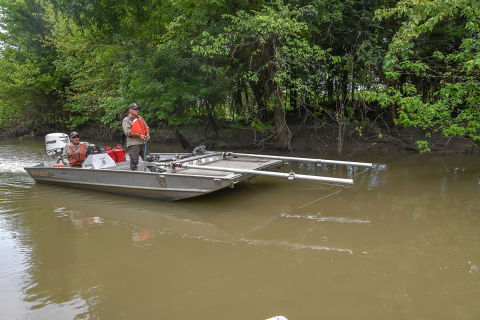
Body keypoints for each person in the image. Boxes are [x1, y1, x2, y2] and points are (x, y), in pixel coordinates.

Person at [122, 103, 154, 171]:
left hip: (143, 143)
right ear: (130, 110)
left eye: (137, 109)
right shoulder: (126, 120)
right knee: (134, 162)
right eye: (135, 109)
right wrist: (139, 135)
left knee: (149, 160)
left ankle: (155, 174)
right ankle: (135, 176)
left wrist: (148, 134)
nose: (137, 110)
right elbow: (127, 132)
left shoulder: (140, 118)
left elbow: (147, 127)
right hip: (133, 144)